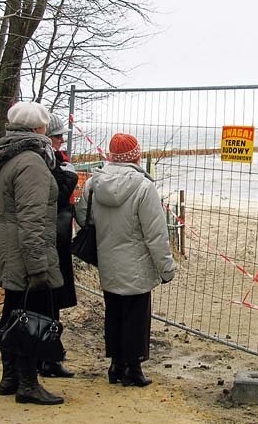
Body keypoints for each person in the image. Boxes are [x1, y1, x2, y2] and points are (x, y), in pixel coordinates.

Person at [76, 133, 175, 387]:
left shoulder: (94, 183)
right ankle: (133, 367)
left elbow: (82, 216)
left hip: (107, 259)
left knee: (115, 312)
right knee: (136, 315)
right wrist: (167, 268)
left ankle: (116, 365)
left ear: (111, 155)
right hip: (136, 264)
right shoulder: (144, 187)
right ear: (136, 156)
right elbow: (156, 234)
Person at [0, 101, 64, 405]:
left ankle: (10, 376)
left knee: (13, 309)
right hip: (27, 251)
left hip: (7, 248)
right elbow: (32, 219)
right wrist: (38, 266)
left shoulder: (3, 156)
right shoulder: (31, 161)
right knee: (32, 316)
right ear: (37, 128)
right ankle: (28, 383)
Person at [36, 113, 78, 378]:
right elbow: (54, 198)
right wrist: (69, 178)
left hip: (56, 238)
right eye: (58, 136)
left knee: (52, 300)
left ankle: (48, 356)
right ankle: (47, 358)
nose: (62, 140)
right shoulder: (45, 162)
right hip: (50, 239)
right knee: (48, 299)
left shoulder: (53, 159)